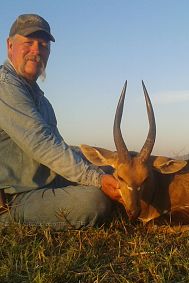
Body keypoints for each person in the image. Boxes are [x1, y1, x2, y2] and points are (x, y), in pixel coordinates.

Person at [0, 14, 122, 230]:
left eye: (43, 45)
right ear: (10, 46)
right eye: (28, 42)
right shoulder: (6, 87)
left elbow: (58, 147)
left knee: (119, 175)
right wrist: (96, 179)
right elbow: (42, 144)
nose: (37, 50)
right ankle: (7, 221)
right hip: (16, 197)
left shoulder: (41, 99)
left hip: (45, 182)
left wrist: (105, 168)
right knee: (95, 201)